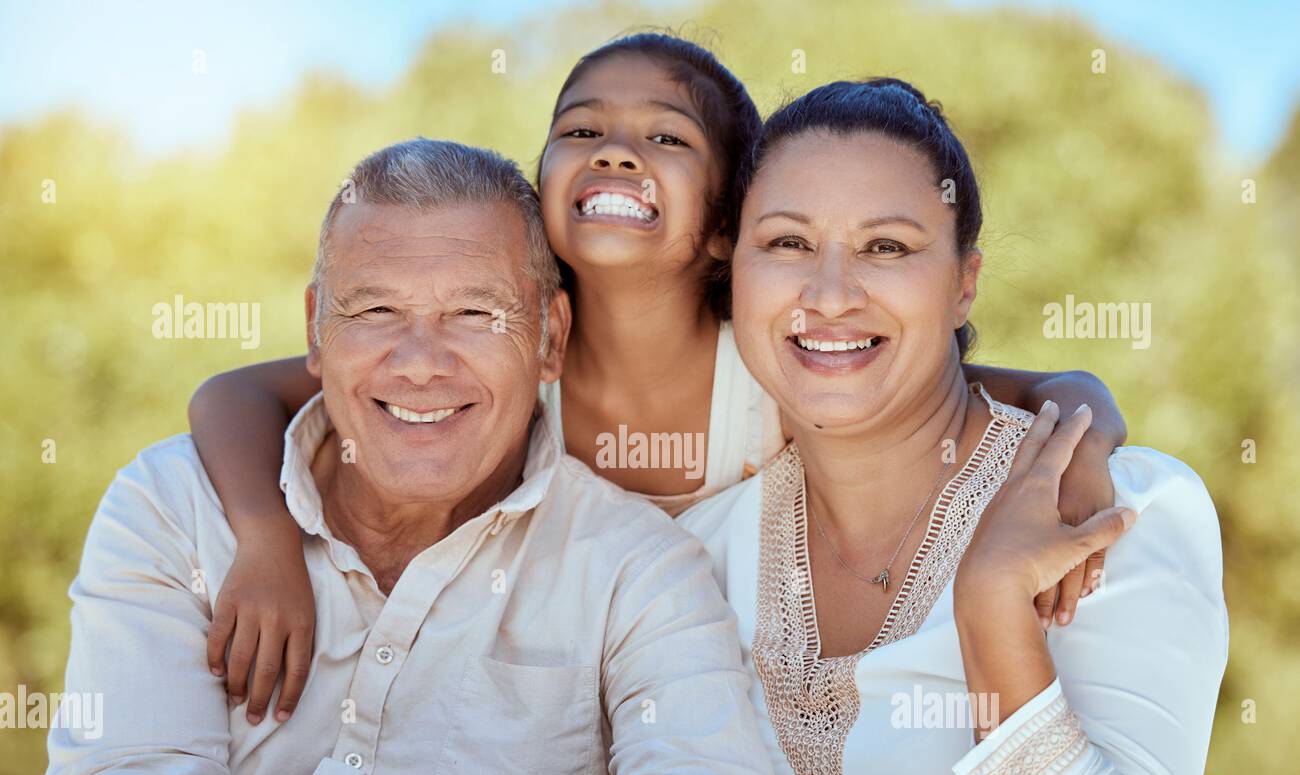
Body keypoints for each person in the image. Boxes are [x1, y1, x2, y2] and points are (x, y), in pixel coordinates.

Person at [185, 33, 1130, 726]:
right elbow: (235, 396)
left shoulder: (776, 365)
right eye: (580, 128)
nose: (615, 150)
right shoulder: (503, 358)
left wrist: (1084, 447)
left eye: (666, 138)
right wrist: (265, 539)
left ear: (725, 228)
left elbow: (1020, 384)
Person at [40, 138, 799, 775]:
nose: (420, 363)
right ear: (314, 329)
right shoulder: (173, 503)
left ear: (551, 337)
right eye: (375, 310)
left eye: (475, 313)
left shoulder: (638, 567)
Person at [625, 79, 1227, 775]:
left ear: (964, 283)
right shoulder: (690, 558)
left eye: (888, 248)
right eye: (788, 243)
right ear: (735, 276)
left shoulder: (1116, 511)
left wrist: (993, 613)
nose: (830, 294)